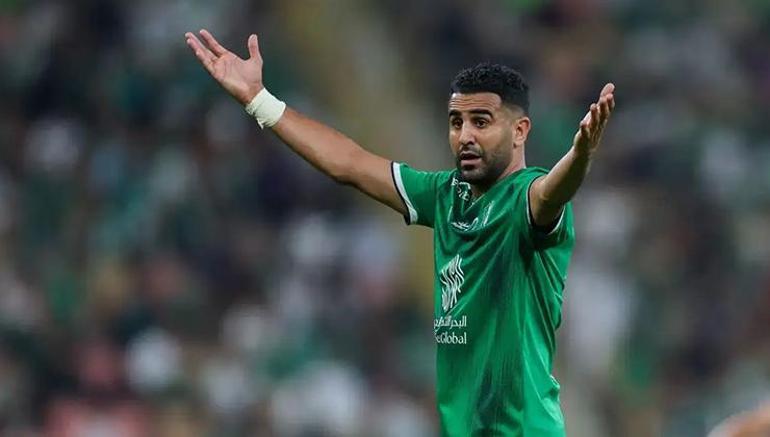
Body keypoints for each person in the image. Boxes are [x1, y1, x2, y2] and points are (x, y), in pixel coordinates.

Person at [184, 28, 615, 436]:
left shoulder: (525, 199)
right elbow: (349, 164)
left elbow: (551, 194)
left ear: (519, 131)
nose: (465, 136)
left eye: (481, 122)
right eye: (456, 122)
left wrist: (579, 157)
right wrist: (259, 100)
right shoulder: (444, 195)